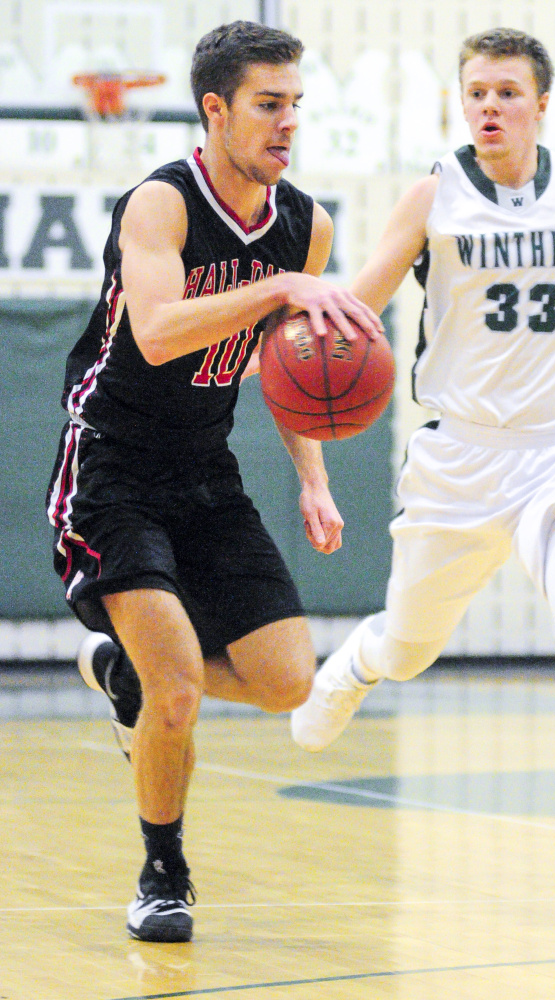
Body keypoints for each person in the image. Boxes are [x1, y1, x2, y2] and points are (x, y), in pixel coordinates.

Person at [291, 26, 555, 921]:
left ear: (540, 104)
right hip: (458, 458)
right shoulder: (430, 196)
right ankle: (357, 663)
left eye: (505, 92)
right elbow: (357, 304)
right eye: (476, 92)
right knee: (410, 647)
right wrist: (284, 321)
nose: (488, 106)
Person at [46, 20, 382, 943]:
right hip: (110, 463)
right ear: (215, 110)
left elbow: (288, 368)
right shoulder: (160, 205)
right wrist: (278, 290)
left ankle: (124, 671)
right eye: (268, 106)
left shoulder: (302, 224)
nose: (286, 125)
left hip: (204, 470)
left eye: (294, 107)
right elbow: (156, 332)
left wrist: (313, 476)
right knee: (183, 688)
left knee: (285, 682)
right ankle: (164, 873)